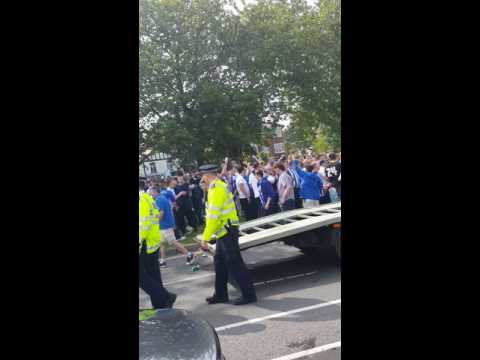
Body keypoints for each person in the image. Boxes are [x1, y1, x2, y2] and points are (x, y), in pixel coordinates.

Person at [199, 164, 257, 306]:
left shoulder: (216, 189)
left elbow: (213, 216)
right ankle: (220, 294)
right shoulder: (216, 187)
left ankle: (249, 295)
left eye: (202, 176)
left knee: (235, 263)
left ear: (207, 176)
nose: (201, 179)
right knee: (219, 262)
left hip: (227, 231)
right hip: (224, 230)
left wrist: (205, 238)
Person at [139, 181, 176, 309]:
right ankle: (161, 305)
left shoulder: (141, 200)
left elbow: (142, 226)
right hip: (151, 242)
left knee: (143, 277)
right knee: (153, 274)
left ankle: (164, 297)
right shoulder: (147, 198)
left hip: (144, 243)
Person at [149, 187, 195, 268]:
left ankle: (189, 254)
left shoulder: (159, 200)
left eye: (151, 193)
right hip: (164, 225)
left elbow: (161, 213)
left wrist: (155, 222)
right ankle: (163, 261)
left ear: (156, 192)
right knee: (162, 243)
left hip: (165, 225)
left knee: (173, 242)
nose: (150, 194)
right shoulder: (162, 198)